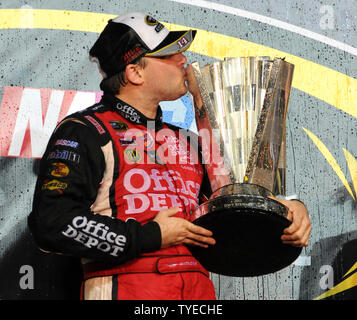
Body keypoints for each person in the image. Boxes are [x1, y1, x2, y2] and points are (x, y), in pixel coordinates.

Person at [28, 12, 311, 300]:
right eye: (169, 54)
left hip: (198, 292)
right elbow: (51, 225)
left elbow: (234, 211)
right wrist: (152, 235)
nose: (183, 59)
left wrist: (289, 210)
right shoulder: (85, 131)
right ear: (135, 72)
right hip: (125, 288)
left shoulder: (191, 140)